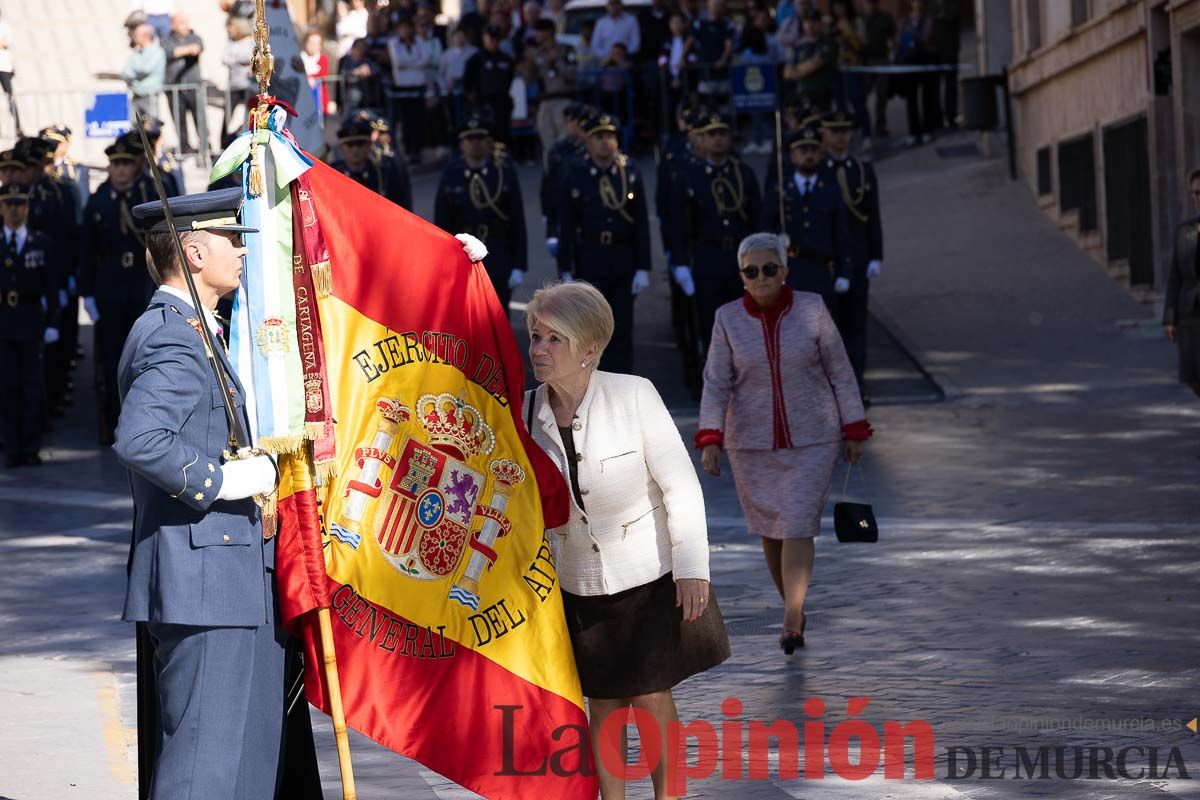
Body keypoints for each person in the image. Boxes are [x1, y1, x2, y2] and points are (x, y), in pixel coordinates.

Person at [524, 280, 729, 797]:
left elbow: (680, 485)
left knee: (651, 695)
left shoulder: (635, 395)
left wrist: (691, 568)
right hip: (576, 580)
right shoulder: (525, 412)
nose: (538, 351)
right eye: (534, 337)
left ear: (588, 349)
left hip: (648, 573)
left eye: (553, 340)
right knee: (604, 700)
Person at [114, 187, 286, 799]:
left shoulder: (200, 329)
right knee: (203, 770)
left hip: (229, 576)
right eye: (231, 239)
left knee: (242, 765)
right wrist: (225, 480)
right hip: (205, 579)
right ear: (192, 250)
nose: (241, 251)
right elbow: (140, 438)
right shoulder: (173, 336)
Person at [698, 231, 870, 653]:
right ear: (741, 276)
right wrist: (711, 437)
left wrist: (854, 426)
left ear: (784, 271)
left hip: (814, 438)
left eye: (769, 269)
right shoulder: (727, 319)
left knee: (795, 524)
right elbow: (717, 382)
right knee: (770, 530)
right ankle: (793, 606)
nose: (761, 278)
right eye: (751, 271)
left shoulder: (811, 309)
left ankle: (792, 615)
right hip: (750, 444)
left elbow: (840, 370)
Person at [556, 112, 651, 374]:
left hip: (623, 257)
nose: (605, 142)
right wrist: (565, 266)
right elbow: (566, 224)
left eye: (609, 136)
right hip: (590, 257)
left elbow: (640, 221)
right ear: (588, 141)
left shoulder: (629, 170)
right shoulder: (576, 172)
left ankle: (622, 381)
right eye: (598, 137)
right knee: (589, 329)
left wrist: (644, 266)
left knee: (622, 327)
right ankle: (591, 382)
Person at [79, 136, 156, 445]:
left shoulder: (147, 194)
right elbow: (86, 249)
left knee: (144, 353)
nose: (121, 170)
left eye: (126, 164)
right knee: (110, 358)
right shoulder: (99, 201)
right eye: (115, 164)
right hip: (109, 285)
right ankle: (112, 420)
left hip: (141, 281)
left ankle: (145, 421)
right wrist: (87, 293)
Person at [669, 111, 763, 352]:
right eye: (712, 134)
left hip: (740, 260)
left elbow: (757, 219)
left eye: (722, 133)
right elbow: (680, 224)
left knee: (746, 328)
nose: (718, 139)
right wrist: (680, 263)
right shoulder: (690, 176)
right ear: (702, 139)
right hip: (707, 258)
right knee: (712, 330)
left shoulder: (742, 173)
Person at [434, 110, 527, 315]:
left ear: (489, 142)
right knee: (467, 316)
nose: (475, 143)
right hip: (463, 254)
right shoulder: (452, 173)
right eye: (469, 139)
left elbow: (517, 220)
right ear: (461, 144)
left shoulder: (503, 171)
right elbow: (442, 222)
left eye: (480, 138)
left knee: (499, 314)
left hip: (498, 250)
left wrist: (519, 264)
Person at [819, 110, 881, 393]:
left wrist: (876, 255)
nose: (840, 137)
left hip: (856, 256)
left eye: (844, 130)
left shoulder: (862, 170)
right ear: (824, 134)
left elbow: (873, 216)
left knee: (856, 324)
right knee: (828, 329)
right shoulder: (818, 171)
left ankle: (856, 385)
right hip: (827, 258)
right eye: (834, 131)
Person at [0, 183, 61, 467]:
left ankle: (31, 446)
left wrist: (53, 323)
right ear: (2, 208)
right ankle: (12, 447)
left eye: (19, 204)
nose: (14, 210)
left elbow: (52, 288)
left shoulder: (41, 242)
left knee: (32, 386)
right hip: (3, 320)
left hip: (30, 318)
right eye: (9, 204)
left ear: (27, 208)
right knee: (7, 386)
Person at [761, 126, 851, 308]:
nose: (809, 155)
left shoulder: (830, 191)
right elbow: (764, 230)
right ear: (792, 156)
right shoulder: (780, 191)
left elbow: (841, 234)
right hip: (789, 268)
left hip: (820, 268)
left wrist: (844, 272)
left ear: (821, 154)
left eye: (814, 150)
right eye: (803, 151)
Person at [1164, 168, 1200, 398]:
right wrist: (1170, 317)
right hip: (1190, 315)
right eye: (1196, 193)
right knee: (1191, 376)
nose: (1199, 197)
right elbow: (1175, 276)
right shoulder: (1184, 231)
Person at [329, 116, 412, 210]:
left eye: (360, 144)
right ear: (342, 147)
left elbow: (401, 208)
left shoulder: (383, 172)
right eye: (350, 145)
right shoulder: (332, 174)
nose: (355, 149)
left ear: (369, 145)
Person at [540, 102, 587, 260]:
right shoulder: (559, 151)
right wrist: (549, 223)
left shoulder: (595, 153)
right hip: (564, 215)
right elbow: (549, 186)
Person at [529, 18, 577, 155]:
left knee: (565, 142)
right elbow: (532, 78)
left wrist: (556, 62)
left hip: (563, 99)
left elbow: (572, 74)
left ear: (548, 32)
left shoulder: (566, 50)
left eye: (539, 32)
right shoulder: (537, 54)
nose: (536, 35)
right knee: (548, 144)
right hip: (545, 102)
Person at [463, 25, 516, 144]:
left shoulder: (506, 59)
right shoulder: (476, 59)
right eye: (491, 38)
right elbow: (467, 81)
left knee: (502, 134)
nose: (493, 41)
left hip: (502, 102)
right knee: (485, 133)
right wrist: (473, 99)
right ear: (484, 38)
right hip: (483, 103)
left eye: (496, 39)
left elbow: (511, 79)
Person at [163, 13, 205, 154]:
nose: (185, 26)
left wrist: (182, 51)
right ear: (173, 25)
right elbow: (168, 52)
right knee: (179, 121)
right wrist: (186, 50)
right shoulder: (166, 40)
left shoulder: (195, 37)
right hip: (173, 88)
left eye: (186, 22)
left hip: (193, 87)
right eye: (181, 22)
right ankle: (184, 147)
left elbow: (198, 48)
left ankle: (204, 146)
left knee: (200, 119)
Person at [784, 11, 837, 111]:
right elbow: (787, 73)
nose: (810, 25)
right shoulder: (799, 45)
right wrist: (801, 69)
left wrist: (798, 70)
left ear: (820, 24)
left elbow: (816, 64)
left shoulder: (828, 43)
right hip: (802, 94)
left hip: (823, 93)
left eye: (814, 22)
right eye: (807, 22)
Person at [860, 0, 896, 139]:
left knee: (882, 94)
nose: (870, 5)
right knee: (863, 93)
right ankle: (863, 123)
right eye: (868, 3)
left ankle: (880, 124)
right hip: (865, 61)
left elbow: (892, 38)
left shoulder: (885, 18)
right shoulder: (861, 19)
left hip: (882, 59)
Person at [122, 23, 167, 123]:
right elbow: (125, 72)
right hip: (136, 95)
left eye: (136, 35)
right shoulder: (136, 53)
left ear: (146, 36)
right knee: (136, 130)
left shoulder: (157, 51)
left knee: (153, 128)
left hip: (150, 95)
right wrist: (136, 72)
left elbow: (146, 69)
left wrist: (133, 72)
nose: (133, 38)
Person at [222, 15, 255, 138]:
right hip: (235, 85)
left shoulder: (251, 42)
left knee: (249, 114)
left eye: (232, 26)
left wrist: (239, 59)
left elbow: (252, 57)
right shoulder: (231, 43)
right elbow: (225, 59)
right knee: (228, 116)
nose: (229, 29)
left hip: (248, 85)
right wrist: (242, 60)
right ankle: (224, 140)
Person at [0, 10, 22, 135]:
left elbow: (6, 43)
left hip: (4, 67)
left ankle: (18, 127)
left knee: (10, 96)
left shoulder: (4, 25)